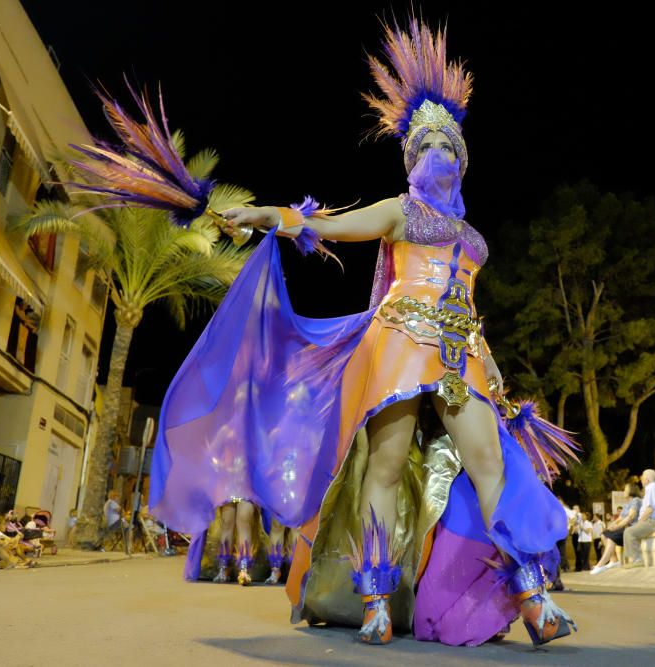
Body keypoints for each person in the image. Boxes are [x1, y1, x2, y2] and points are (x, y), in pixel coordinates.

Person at [150, 18, 575, 648]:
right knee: (386, 462)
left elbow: (470, 303)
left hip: (464, 353)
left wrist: (496, 371)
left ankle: (532, 599)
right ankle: (374, 600)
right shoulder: (400, 211)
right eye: (429, 148)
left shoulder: (472, 236)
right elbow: (338, 225)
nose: (442, 156)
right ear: (411, 161)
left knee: (492, 464)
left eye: (452, 147)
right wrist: (270, 213)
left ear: (464, 160)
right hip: (401, 341)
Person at [590, 483, 643, 574]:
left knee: (611, 539)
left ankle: (600, 565)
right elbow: (620, 518)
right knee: (604, 535)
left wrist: (617, 526)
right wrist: (612, 525)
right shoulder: (627, 504)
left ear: (632, 490)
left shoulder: (636, 500)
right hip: (623, 528)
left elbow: (631, 516)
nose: (624, 491)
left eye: (625, 489)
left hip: (630, 528)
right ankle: (614, 560)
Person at [623, 470, 655, 568]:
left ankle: (637, 560)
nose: (641, 480)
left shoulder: (652, 488)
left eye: (642, 478)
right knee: (630, 531)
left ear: (647, 479)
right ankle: (633, 559)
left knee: (629, 532)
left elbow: (650, 509)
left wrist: (640, 522)